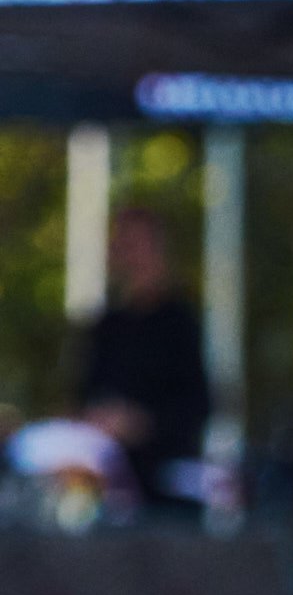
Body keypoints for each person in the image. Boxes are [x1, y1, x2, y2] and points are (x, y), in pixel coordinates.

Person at [74, 204, 210, 520]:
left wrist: (141, 424)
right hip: (104, 489)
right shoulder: (106, 327)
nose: (131, 255)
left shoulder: (180, 322)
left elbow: (199, 405)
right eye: (123, 244)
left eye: (138, 244)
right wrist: (97, 420)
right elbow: (82, 396)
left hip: (166, 491)